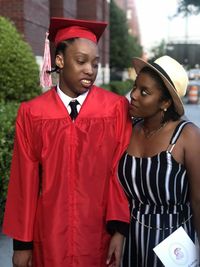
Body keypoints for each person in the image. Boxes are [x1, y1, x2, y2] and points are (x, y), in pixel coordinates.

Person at [2, 17, 132, 267]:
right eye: (81, 61)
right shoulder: (33, 113)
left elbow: (120, 173)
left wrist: (119, 230)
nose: (90, 70)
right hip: (49, 234)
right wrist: (22, 244)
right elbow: (24, 181)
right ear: (59, 61)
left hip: (98, 233)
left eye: (95, 64)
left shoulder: (115, 108)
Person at [118, 55, 200, 266]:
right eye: (135, 87)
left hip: (174, 243)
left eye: (144, 92)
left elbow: (198, 200)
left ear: (165, 102)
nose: (133, 95)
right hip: (130, 239)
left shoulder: (187, 136)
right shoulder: (128, 129)